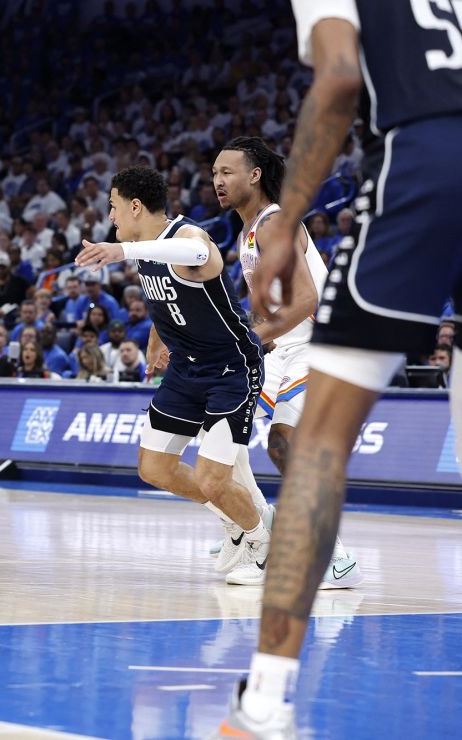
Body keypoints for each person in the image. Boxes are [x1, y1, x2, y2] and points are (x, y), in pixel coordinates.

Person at [214, 3, 462, 736]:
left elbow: (340, 78)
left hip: (423, 163)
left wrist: (287, 219)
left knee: (317, 446)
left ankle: (263, 702)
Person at [76, 166, 271, 588]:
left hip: (230, 368)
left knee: (210, 478)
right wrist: (154, 342)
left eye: (112, 208)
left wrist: (120, 253)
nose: (110, 219)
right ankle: (235, 522)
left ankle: (260, 540)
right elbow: (164, 301)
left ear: (134, 206)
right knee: (154, 468)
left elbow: (204, 258)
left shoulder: (187, 237)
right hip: (185, 367)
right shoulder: (146, 249)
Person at [213, 135, 362, 589]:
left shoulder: (276, 222)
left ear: (254, 175)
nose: (216, 181)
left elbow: (305, 300)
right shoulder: (248, 231)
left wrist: (252, 340)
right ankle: (258, 529)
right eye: (215, 173)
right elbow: (267, 308)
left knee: (282, 445)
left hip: (317, 344)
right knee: (221, 432)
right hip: (283, 348)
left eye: (227, 172)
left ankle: (334, 554)